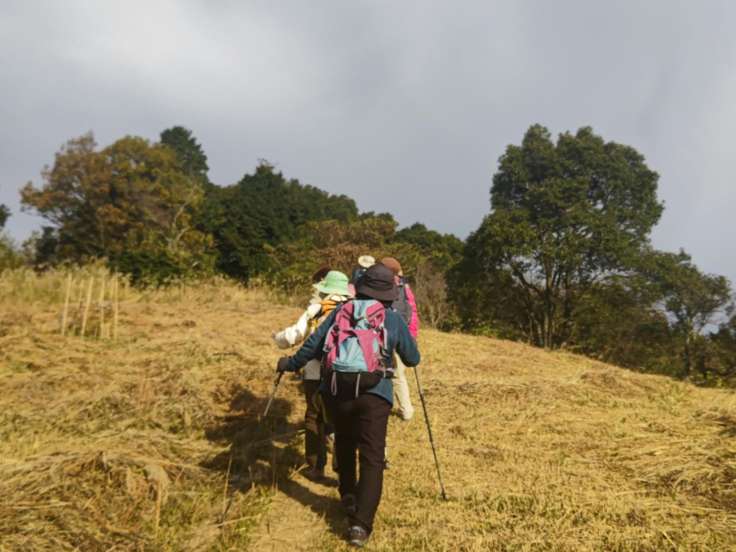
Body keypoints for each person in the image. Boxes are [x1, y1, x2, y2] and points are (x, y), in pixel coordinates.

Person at [276, 264, 420, 547]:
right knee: (372, 456)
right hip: (375, 394)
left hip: (336, 389)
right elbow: (412, 358)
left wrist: (289, 363)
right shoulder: (392, 318)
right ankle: (360, 525)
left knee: (344, 441)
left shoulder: (341, 311)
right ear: (389, 293)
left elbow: (313, 346)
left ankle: (348, 496)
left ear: (361, 287)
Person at [272, 269, 351, 480]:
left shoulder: (318, 309)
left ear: (325, 289)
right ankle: (344, 468)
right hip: (347, 373)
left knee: (314, 418)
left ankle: (316, 467)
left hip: (317, 372)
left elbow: (294, 336)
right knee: (343, 419)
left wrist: (277, 338)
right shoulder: (354, 308)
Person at [379, 257, 419, 421]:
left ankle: (399, 408)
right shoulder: (404, 287)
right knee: (398, 374)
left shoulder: (378, 285)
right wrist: (412, 335)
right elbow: (412, 311)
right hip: (400, 333)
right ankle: (406, 410)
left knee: (389, 372)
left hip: (383, 333)